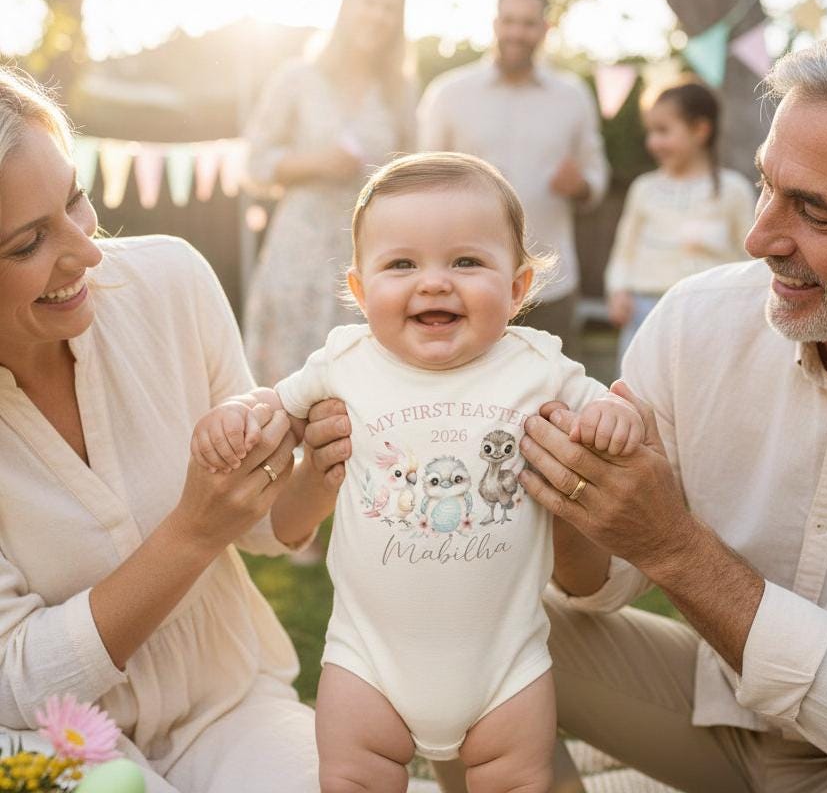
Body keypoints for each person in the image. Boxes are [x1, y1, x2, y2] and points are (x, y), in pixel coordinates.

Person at [193, 152, 645, 793]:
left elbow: (602, 404)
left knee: (520, 779)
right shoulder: (344, 360)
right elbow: (277, 406)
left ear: (517, 288)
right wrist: (239, 414)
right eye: (401, 264)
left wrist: (613, 420)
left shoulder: (538, 367)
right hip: (367, 661)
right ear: (359, 290)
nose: (434, 283)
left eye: (466, 261)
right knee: (350, 775)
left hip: (506, 667)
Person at [0, 66, 351, 793]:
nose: (87, 252)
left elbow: (262, 528)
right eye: (29, 243)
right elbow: (14, 682)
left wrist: (315, 472)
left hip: (226, 706)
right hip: (40, 747)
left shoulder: (172, 282)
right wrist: (190, 532)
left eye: (76, 200)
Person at [504, 39, 827, 791]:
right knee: (466, 637)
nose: (758, 240)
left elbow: (667, 550)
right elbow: (599, 584)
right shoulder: (697, 322)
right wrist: (570, 497)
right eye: (766, 188)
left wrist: (675, 548)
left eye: (813, 210)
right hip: (724, 710)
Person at [243, 0, 416, 386]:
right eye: (369, 2)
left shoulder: (401, 92)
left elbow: (413, 177)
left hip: (367, 258)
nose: (377, 15)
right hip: (297, 253)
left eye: (389, 8)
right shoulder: (297, 79)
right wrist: (315, 163)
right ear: (347, 6)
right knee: (287, 381)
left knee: (357, 383)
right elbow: (254, 164)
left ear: (398, 20)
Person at [418, 0, 609, 354]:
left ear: (545, 29)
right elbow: (421, 183)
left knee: (550, 400)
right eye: (509, 21)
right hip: (463, 279)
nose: (517, 33)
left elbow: (596, 178)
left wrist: (581, 185)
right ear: (494, 24)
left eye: (528, 23)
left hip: (549, 283)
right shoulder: (449, 94)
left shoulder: (572, 97)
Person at [605, 78, 756, 366]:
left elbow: (749, 255)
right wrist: (618, 290)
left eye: (663, 131)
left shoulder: (731, 190)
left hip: (711, 314)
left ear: (700, 130)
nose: (653, 142)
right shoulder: (644, 189)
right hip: (645, 312)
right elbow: (625, 248)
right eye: (650, 131)